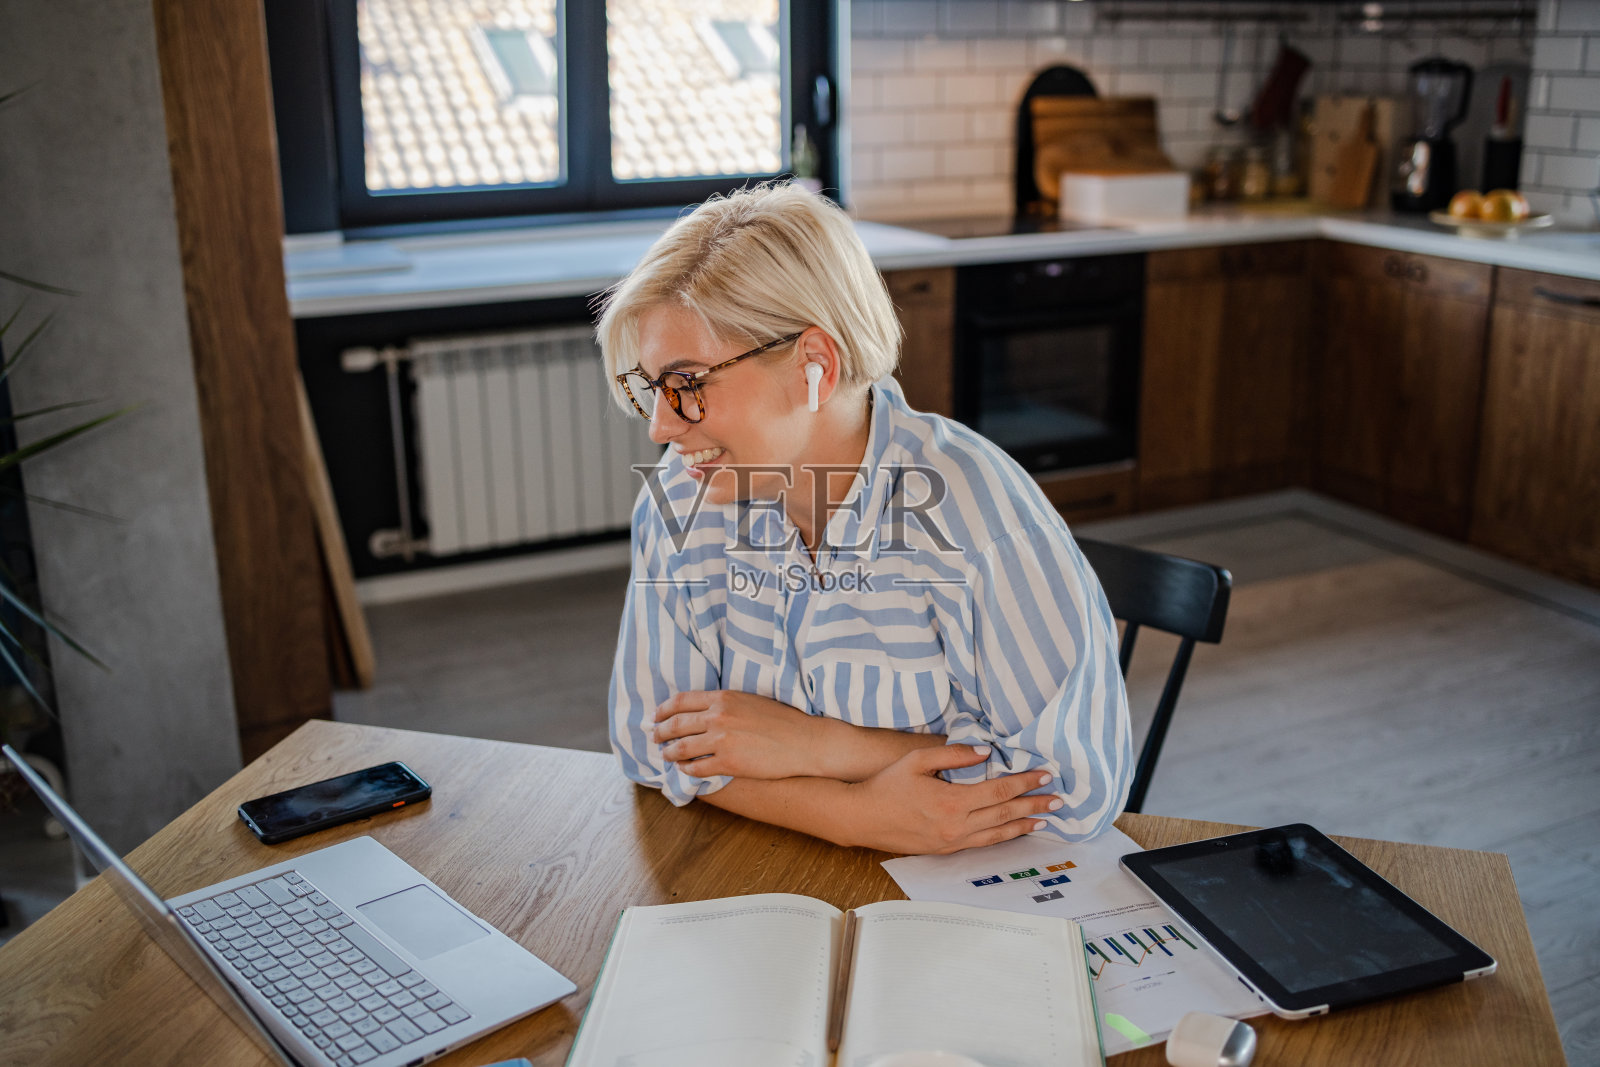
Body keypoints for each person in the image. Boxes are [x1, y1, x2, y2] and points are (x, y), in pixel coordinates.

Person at [597, 182, 1131, 855]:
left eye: (688, 384)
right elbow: (651, 745)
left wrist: (817, 745)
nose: (659, 427)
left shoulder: (980, 515)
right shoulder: (682, 495)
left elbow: (1072, 792)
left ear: (814, 364)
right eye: (650, 388)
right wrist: (852, 815)